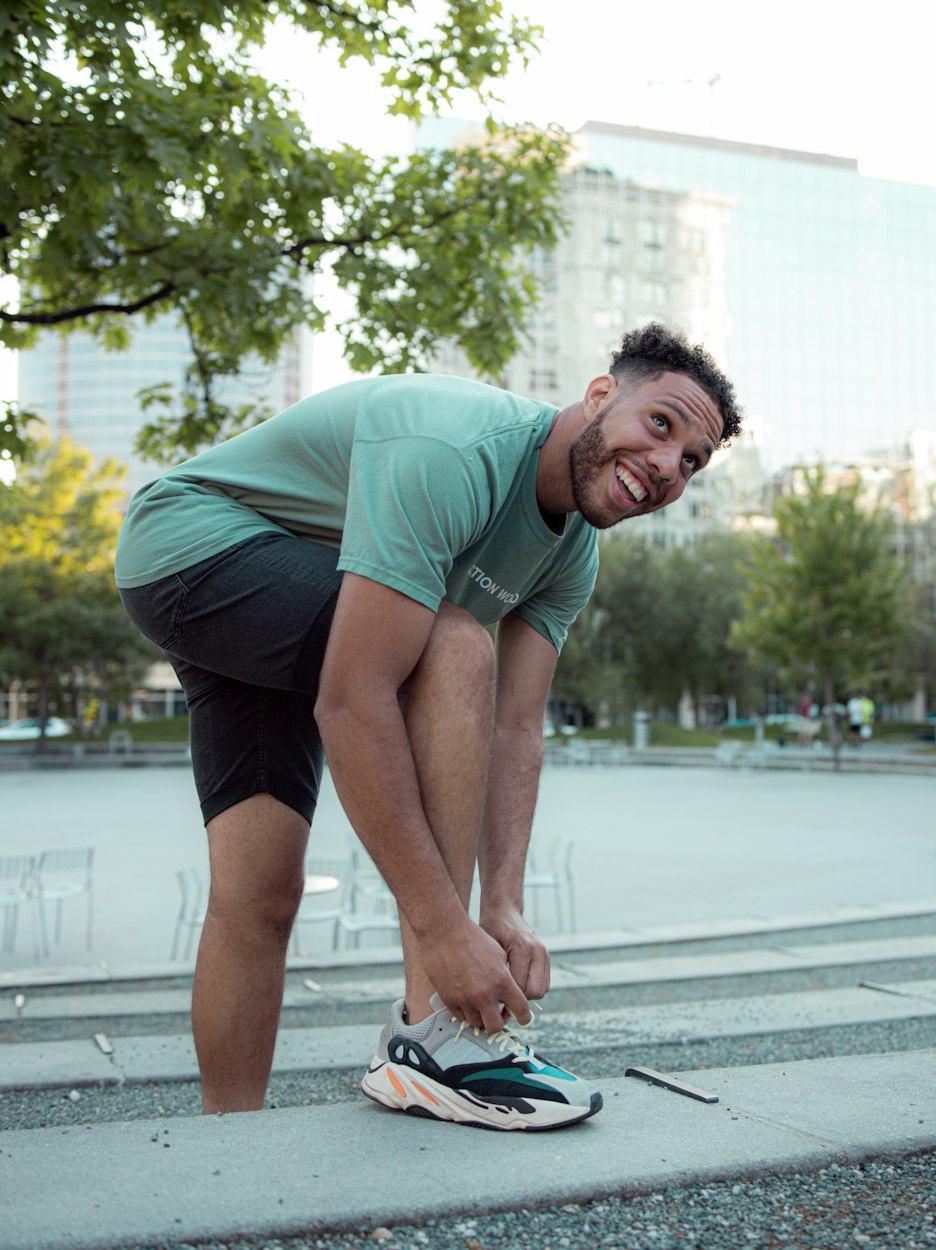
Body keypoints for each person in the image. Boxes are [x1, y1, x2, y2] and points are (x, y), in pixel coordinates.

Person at [115, 323, 742, 1130]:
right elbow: (355, 697)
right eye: (661, 425)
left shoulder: (572, 552)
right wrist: (445, 930)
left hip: (295, 594)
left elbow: (516, 728)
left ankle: (229, 1148)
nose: (667, 466)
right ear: (597, 396)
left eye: (692, 460)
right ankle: (430, 1038)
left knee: (260, 890)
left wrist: (503, 907)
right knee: (451, 643)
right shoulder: (456, 449)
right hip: (194, 547)